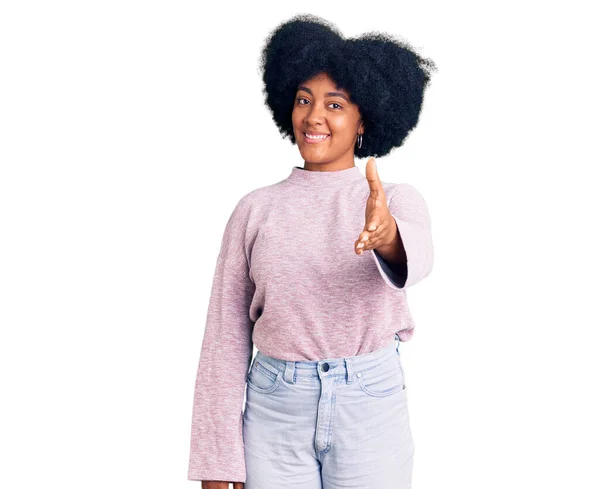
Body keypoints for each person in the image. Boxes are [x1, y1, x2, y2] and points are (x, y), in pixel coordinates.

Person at [187, 13, 437, 489]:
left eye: (335, 104)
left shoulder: (395, 199)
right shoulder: (254, 210)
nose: (314, 116)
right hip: (275, 409)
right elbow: (224, 338)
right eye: (304, 100)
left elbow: (418, 256)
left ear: (364, 118)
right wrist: (215, 460)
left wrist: (386, 236)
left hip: (370, 406)